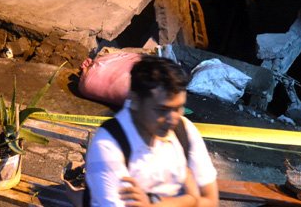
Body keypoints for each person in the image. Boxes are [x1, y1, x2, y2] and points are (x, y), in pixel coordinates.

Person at [85, 55, 218, 207]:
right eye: (162, 110)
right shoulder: (109, 145)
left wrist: (154, 202)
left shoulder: (184, 130)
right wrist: (189, 199)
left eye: (178, 107)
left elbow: (211, 201)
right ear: (135, 100)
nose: (173, 119)